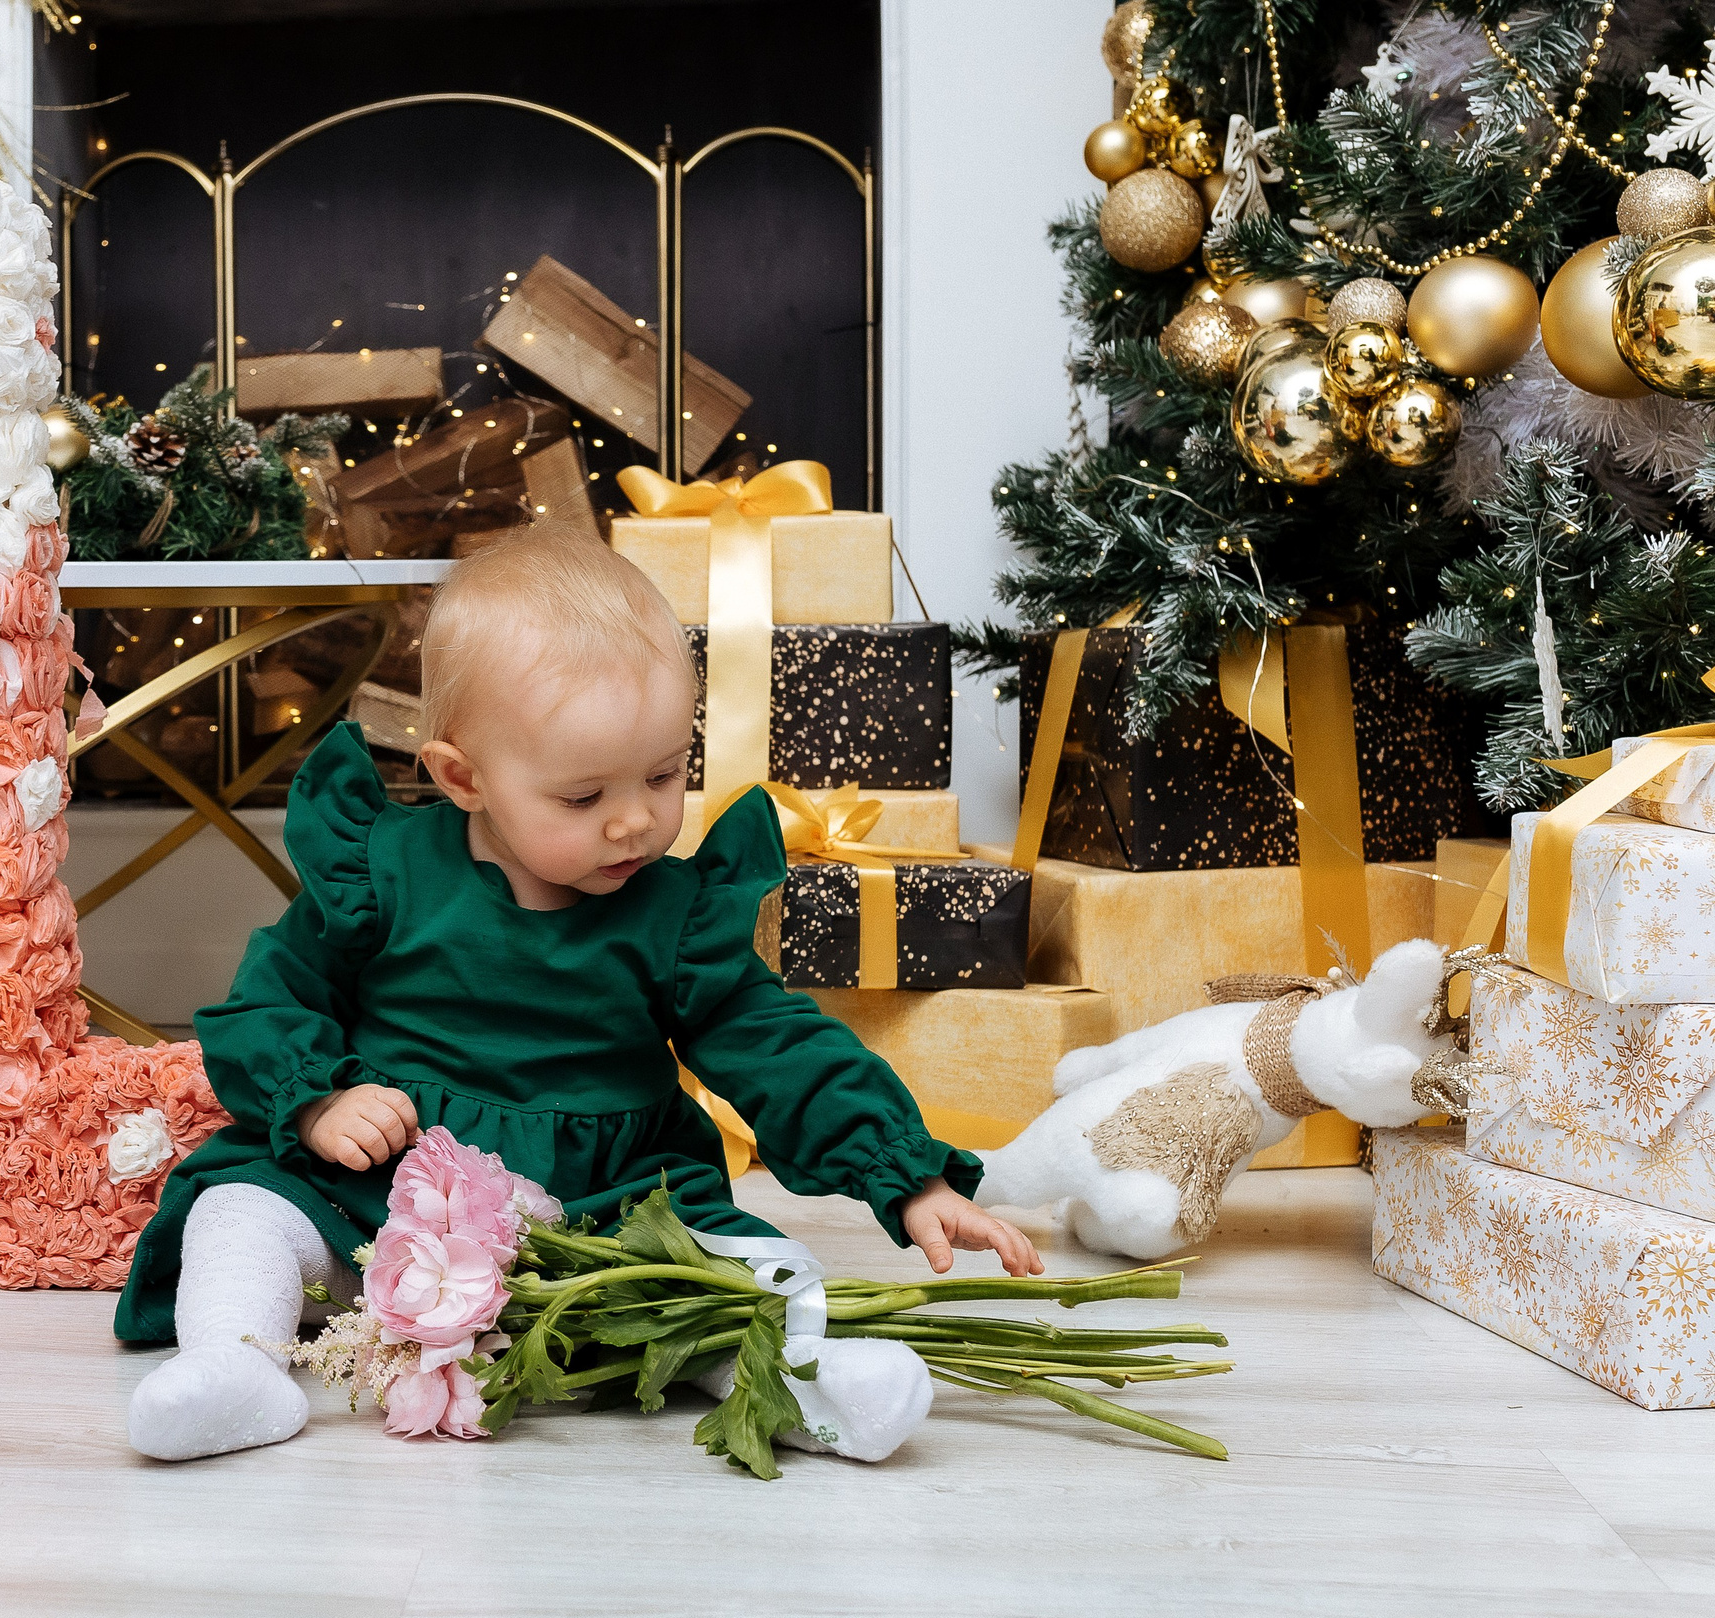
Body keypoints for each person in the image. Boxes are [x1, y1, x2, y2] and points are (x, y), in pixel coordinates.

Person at [113, 525, 1039, 1461]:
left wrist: (905, 1173)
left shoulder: (673, 917)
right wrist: (317, 1100)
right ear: (463, 778)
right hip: (380, 1186)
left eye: (666, 774)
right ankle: (233, 1367)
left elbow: (777, 1044)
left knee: (741, 1273)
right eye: (583, 797)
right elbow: (269, 999)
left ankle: (798, 1383)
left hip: (603, 1207)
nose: (637, 820)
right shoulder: (382, 873)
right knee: (242, 1214)